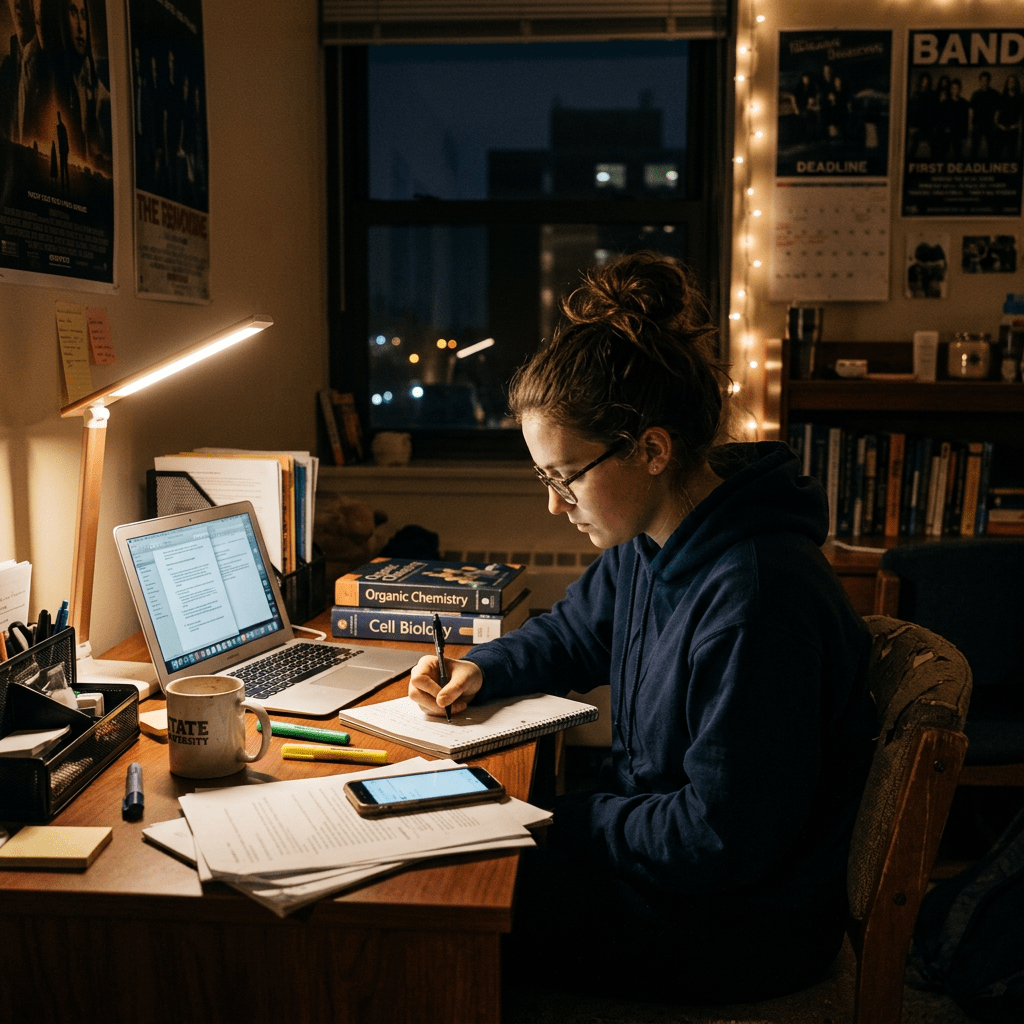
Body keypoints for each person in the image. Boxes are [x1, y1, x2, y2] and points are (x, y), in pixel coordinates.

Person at [408, 250, 877, 1004]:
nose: (555, 506)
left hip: (740, 922)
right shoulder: (653, 542)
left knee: (451, 912)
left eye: (565, 477)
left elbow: (718, 841)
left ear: (652, 450)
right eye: (543, 478)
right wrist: (484, 668)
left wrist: (567, 818)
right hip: (674, 866)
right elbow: (571, 635)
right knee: (457, 875)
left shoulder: (758, 600)